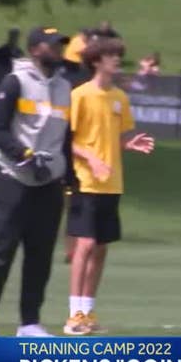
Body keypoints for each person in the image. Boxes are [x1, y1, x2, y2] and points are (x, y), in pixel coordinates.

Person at [0, 27, 73, 337]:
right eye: (52, 45)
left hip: (49, 182)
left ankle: (29, 323)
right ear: (35, 49)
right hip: (14, 177)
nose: (58, 51)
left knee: (40, 255)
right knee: (2, 251)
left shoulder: (66, 87)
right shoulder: (16, 81)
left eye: (60, 46)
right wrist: (23, 155)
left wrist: (67, 177)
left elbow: (64, 139)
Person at [64, 37, 154, 335]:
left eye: (118, 55)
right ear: (96, 61)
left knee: (101, 248)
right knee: (85, 244)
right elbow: (69, 141)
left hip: (112, 183)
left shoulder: (120, 98)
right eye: (111, 56)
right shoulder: (79, 95)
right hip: (86, 181)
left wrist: (129, 144)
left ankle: (87, 313)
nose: (117, 60)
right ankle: (73, 314)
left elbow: (112, 140)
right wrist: (91, 159)